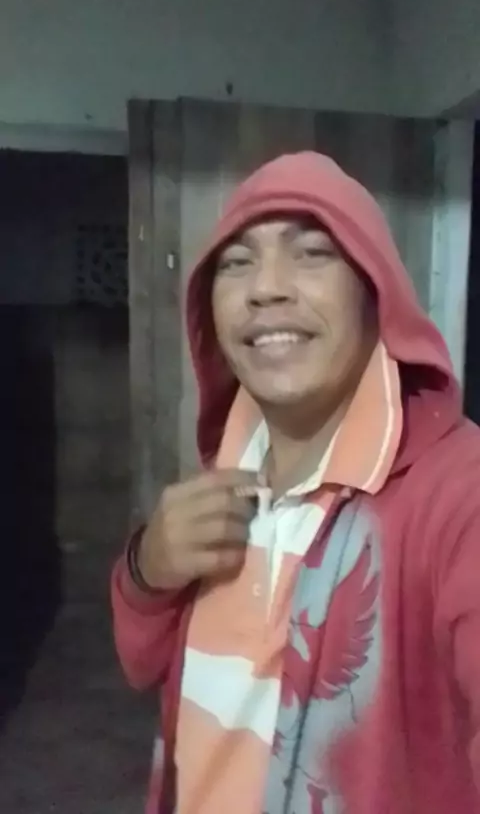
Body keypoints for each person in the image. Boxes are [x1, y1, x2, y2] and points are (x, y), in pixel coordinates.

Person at [111, 152, 480, 814]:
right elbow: (139, 664)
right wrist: (147, 569)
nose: (266, 288)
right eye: (236, 263)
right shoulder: (223, 479)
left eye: (312, 253)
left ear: (377, 297)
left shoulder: (457, 493)